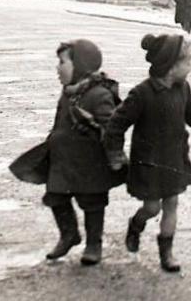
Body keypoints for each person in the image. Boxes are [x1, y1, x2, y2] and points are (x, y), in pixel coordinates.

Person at [105, 33, 191, 274]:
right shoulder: (142, 93)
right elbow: (116, 124)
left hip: (174, 158)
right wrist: (116, 153)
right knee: (152, 208)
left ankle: (166, 253)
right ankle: (136, 224)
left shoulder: (182, 88)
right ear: (171, 66)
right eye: (188, 62)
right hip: (148, 162)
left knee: (172, 204)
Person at [42, 40, 121, 266]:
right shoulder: (68, 92)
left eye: (62, 62)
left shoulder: (99, 94)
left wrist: (99, 130)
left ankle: (93, 244)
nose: (58, 67)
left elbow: (112, 127)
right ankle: (69, 234)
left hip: (90, 161)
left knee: (93, 202)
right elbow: (59, 121)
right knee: (55, 196)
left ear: (81, 65)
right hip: (63, 159)